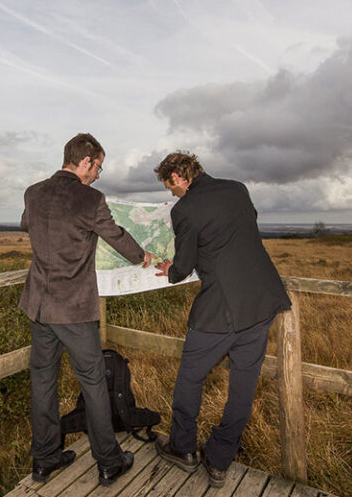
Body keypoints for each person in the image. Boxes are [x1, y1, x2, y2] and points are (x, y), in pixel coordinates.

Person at [19, 133, 154, 486]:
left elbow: (27, 224)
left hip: (38, 305)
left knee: (43, 382)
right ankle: (109, 461)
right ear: (85, 161)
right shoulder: (91, 199)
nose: (98, 175)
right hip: (74, 310)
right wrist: (144, 256)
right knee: (94, 382)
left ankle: (45, 459)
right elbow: (116, 235)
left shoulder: (33, 193)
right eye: (98, 167)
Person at [152, 151, 292, 487]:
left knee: (189, 378)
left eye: (169, 187)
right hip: (260, 305)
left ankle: (182, 448)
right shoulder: (237, 188)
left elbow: (183, 265)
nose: (170, 193)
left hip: (221, 310)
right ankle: (219, 460)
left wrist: (172, 270)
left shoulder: (184, 209)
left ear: (177, 178)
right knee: (243, 387)